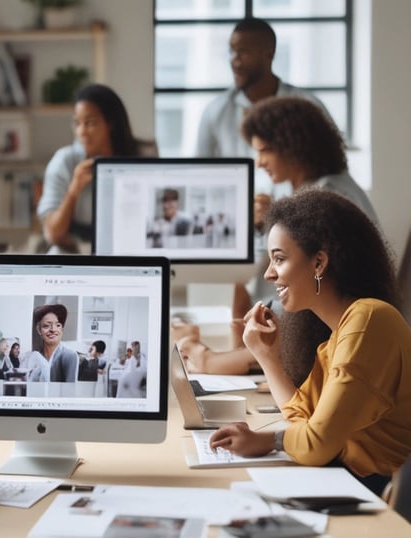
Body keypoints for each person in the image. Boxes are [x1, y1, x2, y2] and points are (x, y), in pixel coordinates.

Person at [209, 190, 411, 496]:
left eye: (279, 258)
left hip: (373, 494)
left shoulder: (368, 322)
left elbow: (316, 444)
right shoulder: (336, 338)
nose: (268, 273)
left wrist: (266, 441)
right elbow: (301, 420)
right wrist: (267, 357)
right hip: (346, 479)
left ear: (319, 263)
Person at [178, 96, 379, 376]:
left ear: (294, 148)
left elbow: (314, 299)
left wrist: (216, 360)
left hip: (322, 352)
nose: (259, 162)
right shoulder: (315, 191)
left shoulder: (327, 200)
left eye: (265, 151)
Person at [36, 83, 155, 254]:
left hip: (129, 250)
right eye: (77, 123)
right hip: (76, 254)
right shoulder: (64, 161)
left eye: (90, 123)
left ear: (111, 123)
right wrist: (74, 189)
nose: (81, 132)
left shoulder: (143, 155)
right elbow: (53, 234)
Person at [196, 17, 331, 159]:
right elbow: (200, 172)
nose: (234, 61)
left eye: (243, 52)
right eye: (232, 52)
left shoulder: (308, 107)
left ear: (269, 54)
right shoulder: (216, 110)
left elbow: (331, 167)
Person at [23, 303, 78, 382]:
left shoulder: (69, 355)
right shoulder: (34, 356)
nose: (53, 329)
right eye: (46, 326)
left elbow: (70, 389)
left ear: (62, 329)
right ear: (39, 330)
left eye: (58, 325)